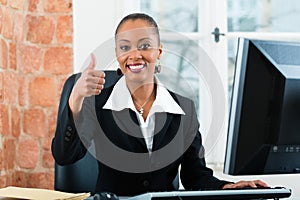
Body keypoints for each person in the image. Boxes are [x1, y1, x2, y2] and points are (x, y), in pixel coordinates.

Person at [51, 13, 268, 196]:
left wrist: (228, 187)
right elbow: (64, 156)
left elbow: (195, 176)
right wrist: (75, 98)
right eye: (125, 47)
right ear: (118, 55)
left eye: (144, 45)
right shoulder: (98, 103)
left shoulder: (184, 110)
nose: (135, 55)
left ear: (159, 52)